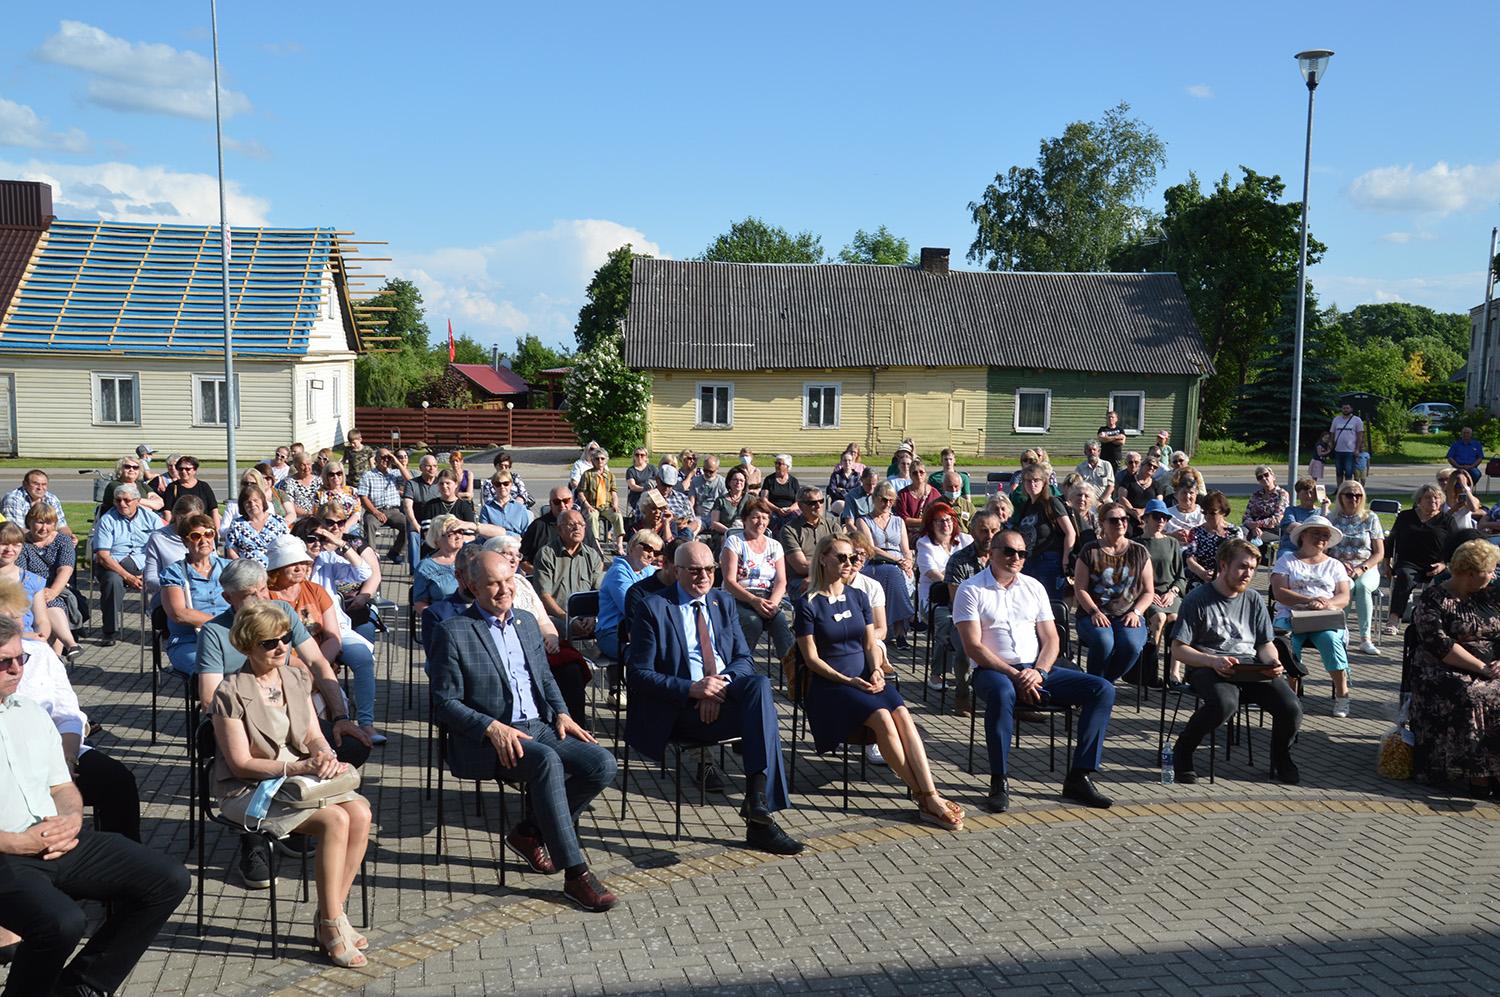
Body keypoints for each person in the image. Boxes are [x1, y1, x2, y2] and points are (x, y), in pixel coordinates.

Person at [0, 615, 189, 997]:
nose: (17, 668)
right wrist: (13, 842)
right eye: (4, 661)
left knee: (167, 877)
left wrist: (71, 817)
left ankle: (82, 986)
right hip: (6, 851)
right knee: (62, 923)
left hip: (57, 837)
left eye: (22, 659)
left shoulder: (31, 712)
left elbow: (62, 785)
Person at [430, 550, 619, 911]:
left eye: (508, 581)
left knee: (602, 764)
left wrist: (562, 714)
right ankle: (576, 874)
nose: (504, 590)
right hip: (489, 740)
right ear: (472, 586)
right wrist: (490, 727)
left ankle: (530, 832)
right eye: (492, 584)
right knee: (547, 762)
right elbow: (445, 703)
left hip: (541, 727)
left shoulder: (527, 623)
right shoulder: (453, 632)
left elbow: (544, 678)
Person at [211, 600, 373, 967]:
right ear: (248, 645)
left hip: (300, 779)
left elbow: (315, 734)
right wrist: (297, 768)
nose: (281, 647)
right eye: (269, 642)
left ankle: (332, 913)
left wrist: (324, 755)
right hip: (250, 787)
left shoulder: (296, 678)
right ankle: (331, 925)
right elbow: (240, 763)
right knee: (336, 819)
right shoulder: (230, 692)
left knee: (360, 811)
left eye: (284, 638)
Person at [625, 541, 804, 852]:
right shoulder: (653, 607)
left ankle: (757, 800)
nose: (704, 577)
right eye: (695, 571)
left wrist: (718, 683)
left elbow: (743, 659)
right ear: (676, 571)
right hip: (680, 710)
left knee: (759, 686)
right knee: (762, 720)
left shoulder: (723, 602)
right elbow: (639, 674)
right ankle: (759, 817)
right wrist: (693, 689)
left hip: (721, 695)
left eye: (710, 570)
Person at [795, 534, 964, 830]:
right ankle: (927, 798)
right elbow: (811, 660)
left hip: (866, 679)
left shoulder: (858, 596)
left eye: (852, 558)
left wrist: (874, 670)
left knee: (903, 715)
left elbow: (870, 642)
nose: (849, 563)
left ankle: (928, 794)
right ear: (823, 559)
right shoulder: (807, 604)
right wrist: (849, 680)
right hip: (832, 686)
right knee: (884, 718)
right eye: (842, 558)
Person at [955, 530, 1117, 813]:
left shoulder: (1034, 587)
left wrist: (1039, 671)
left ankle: (1080, 775)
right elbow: (973, 646)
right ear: (991, 552)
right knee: (1003, 692)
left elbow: (1052, 639)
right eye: (1008, 551)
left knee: (1102, 689)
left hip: (1037, 669)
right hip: (992, 670)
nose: (1016, 558)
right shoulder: (971, 589)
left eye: (1022, 553)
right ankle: (999, 781)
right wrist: (1014, 674)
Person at [0, 581, 141, 843]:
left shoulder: (40, 654)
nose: (17, 624)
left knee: (118, 781)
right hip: (11, 766)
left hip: (61, 751)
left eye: (18, 616)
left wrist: (66, 760)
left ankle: (122, 861)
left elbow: (69, 715)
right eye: (6, 618)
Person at [1169, 539, 1303, 784]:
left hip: (1249, 666)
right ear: (1223, 565)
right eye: (1242, 567)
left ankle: (1281, 756)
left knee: (1291, 707)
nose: (1248, 574)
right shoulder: (1197, 599)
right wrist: (1211, 661)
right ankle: (1183, 751)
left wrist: (1272, 662)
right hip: (1206, 666)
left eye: (1252, 568)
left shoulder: (1253, 599)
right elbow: (1178, 650)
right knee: (1224, 704)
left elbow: (1264, 643)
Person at [1408, 539, 1500, 795]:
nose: (1493, 576)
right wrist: (1483, 667)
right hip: (1441, 668)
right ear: (1470, 574)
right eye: (1489, 570)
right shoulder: (1434, 598)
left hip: (1490, 667)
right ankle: (1479, 775)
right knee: (1475, 695)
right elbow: (1441, 645)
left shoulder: (1491, 596)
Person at [290, 519, 384, 742]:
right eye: (311, 539)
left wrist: (337, 542)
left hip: (336, 630)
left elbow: (363, 572)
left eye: (320, 539)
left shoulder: (328, 559)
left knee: (363, 659)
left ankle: (366, 723)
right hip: (301, 635)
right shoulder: (289, 566)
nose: (316, 544)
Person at [1271, 515, 1353, 717]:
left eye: (1325, 535)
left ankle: (1342, 695)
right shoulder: (1286, 560)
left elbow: (1344, 596)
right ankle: (1292, 695)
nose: (1321, 538)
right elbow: (1279, 592)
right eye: (1316, 533)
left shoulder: (1335, 565)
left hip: (1324, 617)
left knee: (1331, 640)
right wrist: (1308, 600)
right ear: (1304, 535)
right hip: (1291, 615)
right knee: (1288, 644)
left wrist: (1326, 603)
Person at [1073, 502, 1154, 682]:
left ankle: (1101, 685)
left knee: (1132, 645)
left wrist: (1136, 612)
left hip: (1128, 614)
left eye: (1124, 519)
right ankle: (1094, 685)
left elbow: (1149, 592)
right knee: (1104, 642)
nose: (1120, 523)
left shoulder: (1139, 551)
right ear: (1102, 523)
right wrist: (1094, 611)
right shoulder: (1090, 551)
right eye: (1114, 520)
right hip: (1093, 613)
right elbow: (1080, 588)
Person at [89, 484, 164, 645]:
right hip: (112, 565)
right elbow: (103, 556)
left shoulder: (152, 518)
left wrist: (149, 572)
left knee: (162, 580)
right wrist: (128, 577)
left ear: (137, 501)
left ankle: (162, 627)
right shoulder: (107, 520)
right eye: (118, 500)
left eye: (127, 500)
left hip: (145, 565)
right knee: (112, 581)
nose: (122, 504)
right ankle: (109, 631)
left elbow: (162, 548)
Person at [720, 501, 794, 663]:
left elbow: (781, 581)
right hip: (739, 597)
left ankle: (793, 673)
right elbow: (730, 581)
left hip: (768, 598)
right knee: (752, 622)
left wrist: (772, 604)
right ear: (745, 519)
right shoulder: (734, 542)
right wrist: (754, 601)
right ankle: (740, 666)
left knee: (780, 622)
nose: (761, 522)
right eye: (755, 517)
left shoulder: (775, 546)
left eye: (765, 518)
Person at [159, 513, 231, 676]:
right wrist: (225, 624)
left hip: (229, 639)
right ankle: (209, 701)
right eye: (196, 536)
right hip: (190, 642)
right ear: (185, 541)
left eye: (208, 534)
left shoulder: (229, 568)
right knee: (210, 670)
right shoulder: (174, 572)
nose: (204, 540)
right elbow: (179, 614)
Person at [1386, 483, 1455, 636]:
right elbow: (1392, 540)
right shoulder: (1405, 517)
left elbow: (1455, 545)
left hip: (1436, 564)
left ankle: (1439, 622)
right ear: (1419, 500)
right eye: (1429, 498)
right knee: (1404, 577)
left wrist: (1444, 564)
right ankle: (1394, 618)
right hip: (1408, 562)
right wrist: (1386, 562)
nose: (1433, 501)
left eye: (1437, 498)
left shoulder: (1447, 520)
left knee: (1447, 581)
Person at [856, 482, 917, 648]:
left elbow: (906, 549)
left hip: (900, 565)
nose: (887, 504)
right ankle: (906, 624)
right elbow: (871, 548)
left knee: (897, 575)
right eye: (884, 500)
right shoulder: (863, 521)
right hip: (875, 563)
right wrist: (898, 561)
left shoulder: (898, 521)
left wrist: (909, 563)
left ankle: (898, 631)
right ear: (874, 498)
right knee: (893, 573)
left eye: (891, 500)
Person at [1329, 480, 1386, 656]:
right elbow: (1324, 550)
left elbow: (1379, 552)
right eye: (1349, 495)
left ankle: (1365, 639)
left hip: (1366, 567)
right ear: (1340, 497)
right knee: (1349, 587)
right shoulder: (1332, 518)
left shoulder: (1370, 518)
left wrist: (1363, 568)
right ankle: (1340, 634)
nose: (1354, 499)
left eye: (1358, 495)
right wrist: (1339, 565)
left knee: (1362, 587)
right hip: (1339, 567)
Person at [20, 503, 81, 660]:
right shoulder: (22, 544)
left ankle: (56, 656)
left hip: (58, 588)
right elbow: (21, 573)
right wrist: (39, 593)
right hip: (28, 591)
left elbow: (65, 569)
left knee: (53, 602)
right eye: (39, 522)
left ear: (54, 524)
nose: (44, 528)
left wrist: (53, 591)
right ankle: (67, 647)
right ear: (30, 522)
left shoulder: (62, 541)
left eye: (48, 523)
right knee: (45, 605)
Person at [534, 509, 605, 637]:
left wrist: (592, 616)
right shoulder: (547, 554)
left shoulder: (592, 555)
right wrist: (568, 619)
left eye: (581, 524)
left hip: (586, 617)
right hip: (556, 616)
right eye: (571, 524)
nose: (577, 528)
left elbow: (599, 591)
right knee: (559, 627)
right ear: (559, 529)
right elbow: (544, 595)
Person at [1010, 465, 1075, 599]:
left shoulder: (1052, 503)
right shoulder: (1026, 506)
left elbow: (1070, 532)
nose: (1032, 484)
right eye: (1028, 480)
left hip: (1050, 560)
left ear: (1044, 482)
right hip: (1029, 560)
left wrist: (1066, 559)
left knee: (1050, 604)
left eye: (1036, 480)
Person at [596, 530, 662, 660]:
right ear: (632, 546)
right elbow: (633, 609)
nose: (651, 555)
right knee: (643, 656)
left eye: (656, 552)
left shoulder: (647, 570)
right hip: (612, 632)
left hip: (642, 630)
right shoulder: (618, 573)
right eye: (648, 549)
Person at [915, 502, 971, 615]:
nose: (945, 524)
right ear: (931, 524)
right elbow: (934, 574)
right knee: (947, 620)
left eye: (948, 519)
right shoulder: (924, 544)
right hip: (936, 600)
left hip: (968, 596)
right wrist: (960, 590)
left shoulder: (966, 540)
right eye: (940, 521)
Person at [779, 487, 837, 595]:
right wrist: (833, 565)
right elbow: (801, 566)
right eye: (812, 503)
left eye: (821, 501)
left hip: (831, 573)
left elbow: (842, 556)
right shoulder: (789, 530)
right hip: (800, 579)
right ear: (800, 506)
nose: (819, 506)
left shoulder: (833, 526)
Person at [356, 448, 410, 562]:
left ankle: (394, 552)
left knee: (408, 524)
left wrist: (397, 462)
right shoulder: (368, 475)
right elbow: (363, 497)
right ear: (376, 460)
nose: (386, 460)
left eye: (388, 457)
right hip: (374, 510)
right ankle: (372, 556)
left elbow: (410, 481)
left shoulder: (394, 473)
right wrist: (375, 512)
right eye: (383, 457)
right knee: (370, 523)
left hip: (394, 510)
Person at [414, 514, 473, 612]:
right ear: (437, 539)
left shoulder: (471, 558)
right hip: (445, 618)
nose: (458, 536)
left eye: (460, 531)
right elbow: (419, 602)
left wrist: (474, 526)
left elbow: (501, 533)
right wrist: (434, 618)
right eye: (451, 533)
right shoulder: (425, 566)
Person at [225, 482, 289, 565]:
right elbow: (231, 550)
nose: (252, 504)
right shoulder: (236, 525)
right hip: (247, 571)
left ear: (262, 501)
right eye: (248, 502)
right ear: (243, 505)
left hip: (275, 568)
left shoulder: (278, 521)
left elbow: (287, 546)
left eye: (255, 500)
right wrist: (242, 568)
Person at [1183, 491, 1240, 585]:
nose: (1208, 517)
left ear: (1223, 512)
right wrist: (1202, 573)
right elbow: (1190, 559)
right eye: (1205, 513)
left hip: (1228, 577)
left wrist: (1221, 575)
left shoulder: (1234, 532)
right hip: (1201, 578)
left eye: (1212, 513)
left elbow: (1237, 558)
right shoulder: (1196, 532)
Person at [576, 448, 626, 552]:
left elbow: (614, 492)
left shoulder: (610, 475)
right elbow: (580, 492)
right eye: (597, 459)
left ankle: (619, 544)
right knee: (592, 517)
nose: (600, 461)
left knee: (618, 516)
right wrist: (587, 506)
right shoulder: (587, 475)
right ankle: (596, 544)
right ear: (592, 460)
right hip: (592, 506)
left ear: (606, 460)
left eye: (602, 459)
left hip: (606, 506)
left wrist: (615, 505)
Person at [2, 470, 72, 537]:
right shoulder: (13, 499)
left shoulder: (51, 499)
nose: (40, 488)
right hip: (20, 542)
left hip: (45, 539)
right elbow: (15, 530)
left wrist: (67, 538)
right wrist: (47, 538)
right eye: (36, 484)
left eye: (44, 484)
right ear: (25, 484)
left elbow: (62, 527)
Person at [163, 456, 220, 530]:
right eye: (180, 469)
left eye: (187, 469)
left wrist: (216, 530)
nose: (183, 471)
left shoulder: (204, 486)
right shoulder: (172, 487)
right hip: (181, 529)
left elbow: (214, 510)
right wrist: (172, 530)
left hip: (203, 528)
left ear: (195, 470)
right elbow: (167, 511)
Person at [1242, 465, 1290, 549]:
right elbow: (1246, 515)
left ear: (1273, 476)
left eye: (1266, 475)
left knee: (1252, 540)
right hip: (1252, 527)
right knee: (1239, 535)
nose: (1264, 478)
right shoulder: (1256, 495)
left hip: (1272, 529)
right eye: (1260, 477)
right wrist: (1253, 527)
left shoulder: (1282, 494)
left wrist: (1257, 525)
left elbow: (1277, 518)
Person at [96, 455, 164, 515]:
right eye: (127, 467)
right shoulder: (115, 485)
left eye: (135, 467)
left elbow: (160, 503)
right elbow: (128, 504)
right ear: (120, 469)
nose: (131, 469)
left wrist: (138, 501)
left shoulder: (142, 485)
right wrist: (149, 504)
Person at [894, 461, 940, 545]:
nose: (918, 475)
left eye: (921, 472)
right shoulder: (903, 494)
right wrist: (924, 521)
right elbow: (903, 519)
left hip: (931, 531)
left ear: (925, 474)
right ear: (910, 475)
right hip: (909, 534)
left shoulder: (934, 493)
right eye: (915, 473)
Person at [708, 466, 752, 550]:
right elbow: (714, 523)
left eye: (741, 480)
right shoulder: (720, 500)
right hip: (725, 533)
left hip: (746, 532)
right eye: (735, 480)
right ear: (729, 482)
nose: (738, 482)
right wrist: (730, 532)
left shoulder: (751, 499)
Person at [479, 471, 533, 537]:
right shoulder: (487, 508)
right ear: (493, 486)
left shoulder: (520, 508)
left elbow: (527, 534)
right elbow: (483, 532)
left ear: (511, 484)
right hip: (494, 542)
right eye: (498, 484)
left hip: (516, 543)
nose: (502, 486)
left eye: (506, 483)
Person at [400, 454, 443, 534]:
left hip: (438, 522)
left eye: (434, 466)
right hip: (418, 521)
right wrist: (414, 523)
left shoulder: (442, 483)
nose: (432, 469)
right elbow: (407, 506)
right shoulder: (412, 484)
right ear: (420, 468)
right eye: (428, 466)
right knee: (413, 533)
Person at [1329, 401, 1366, 485]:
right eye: (1344, 408)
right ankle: (1339, 489)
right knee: (1339, 471)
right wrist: (1331, 444)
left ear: (1351, 409)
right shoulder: (1336, 419)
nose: (1345, 410)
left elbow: (1360, 435)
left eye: (1347, 408)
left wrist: (1357, 449)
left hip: (1350, 450)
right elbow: (1332, 433)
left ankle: (1347, 488)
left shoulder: (1357, 420)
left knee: (1349, 472)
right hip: (1338, 449)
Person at [278, 452, 322, 518]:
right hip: (299, 519)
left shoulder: (319, 481)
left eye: (308, 464)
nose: (307, 467)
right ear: (296, 466)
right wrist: (308, 514)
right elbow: (289, 503)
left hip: (319, 517)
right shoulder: (288, 482)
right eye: (303, 465)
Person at [761, 455, 800, 528]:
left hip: (790, 511)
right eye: (776, 463)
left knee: (795, 519)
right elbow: (764, 499)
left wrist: (790, 509)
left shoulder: (794, 481)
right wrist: (777, 509)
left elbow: (798, 501)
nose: (777, 465)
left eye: (779, 464)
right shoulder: (769, 480)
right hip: (773, 510)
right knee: (773, 519)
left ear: (787, 466)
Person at [827, 448, 862, 515]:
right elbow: (832, 491)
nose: (847, 463)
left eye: (849, 460)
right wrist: (849, 492)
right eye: (845, 460)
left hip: (853, 501)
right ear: (841, 462)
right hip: (838, 501)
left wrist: (842, 491)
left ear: (853, 462)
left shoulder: (857, 476)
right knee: (844, 505)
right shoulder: (835, 475)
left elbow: (858, 492)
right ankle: (845, 524)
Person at [624, 447, 654, 513]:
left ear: (646, 457)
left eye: (642, 455)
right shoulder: (631, 471)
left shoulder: (652, 468)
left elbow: (658, 481)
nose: (639, 457)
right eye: (637, 455)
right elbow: (632, 486)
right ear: (634, 457)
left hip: (652, 494)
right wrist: (645, 489)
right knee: (647, 506)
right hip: (637, 496)